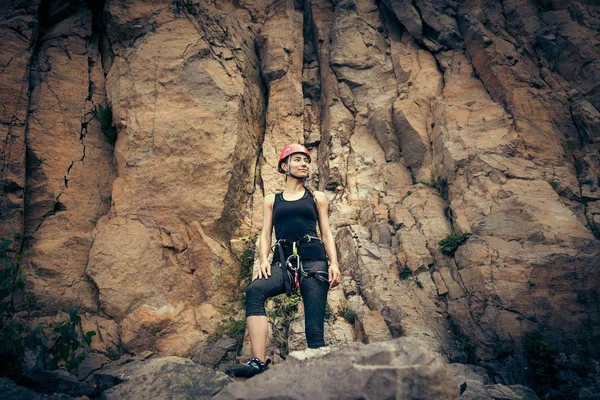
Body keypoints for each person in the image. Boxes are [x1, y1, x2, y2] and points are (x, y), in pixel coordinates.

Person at [226, 143, 341, 378]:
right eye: (297, 160)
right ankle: (258, 362)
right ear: (284, 166)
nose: (303, 164)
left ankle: (317, 378)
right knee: (255, 291)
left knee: (314, 330)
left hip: (314, 260)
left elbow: (326, 232)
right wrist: (263, 260)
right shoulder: (272, 200)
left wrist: (335, 264)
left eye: (306, 161)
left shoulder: (317, 197)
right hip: (283, 263)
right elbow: (266, 233)